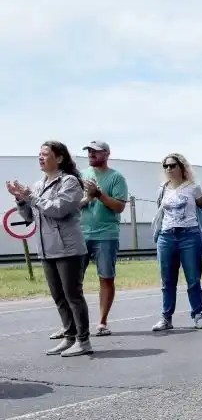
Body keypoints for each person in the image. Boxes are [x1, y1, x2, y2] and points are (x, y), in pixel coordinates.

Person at [7, 142, 91, 357]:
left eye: (45, 154)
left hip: (69, 249)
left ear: (59, 158)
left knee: (73, 295)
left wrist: (31, 196)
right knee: (58, 296)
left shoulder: (70, 182)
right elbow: (29, 217)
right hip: (46, 248)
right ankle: (69, 337)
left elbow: (59, 210)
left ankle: (83, 340)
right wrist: (20, 199)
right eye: (39, 154)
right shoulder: (38, 184)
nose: (41, 158)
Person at [153, 153, 202, 331]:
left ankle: (198, 315)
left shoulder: (193, 187)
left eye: (172, 165)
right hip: (167, 236)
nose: (169, 169)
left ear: (182, 167)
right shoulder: (163, 188)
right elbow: (161, 210)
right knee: (167, 280)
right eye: (166, 166)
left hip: (189, 235)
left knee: (193, 279)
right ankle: (166, 317)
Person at [80, 141, 128, 337]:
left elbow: (119, 207)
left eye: (96, 152)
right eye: (89, 151)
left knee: (106, 278)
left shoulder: (116, 178)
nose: (91, 154)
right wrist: (87, 198)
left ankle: (102, 322)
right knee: (72, 281)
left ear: (107, 154)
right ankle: (72, 324)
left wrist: (99, 194)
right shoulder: (81, 176)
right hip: (80, 233)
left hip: (106, 235)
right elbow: (73, 203)